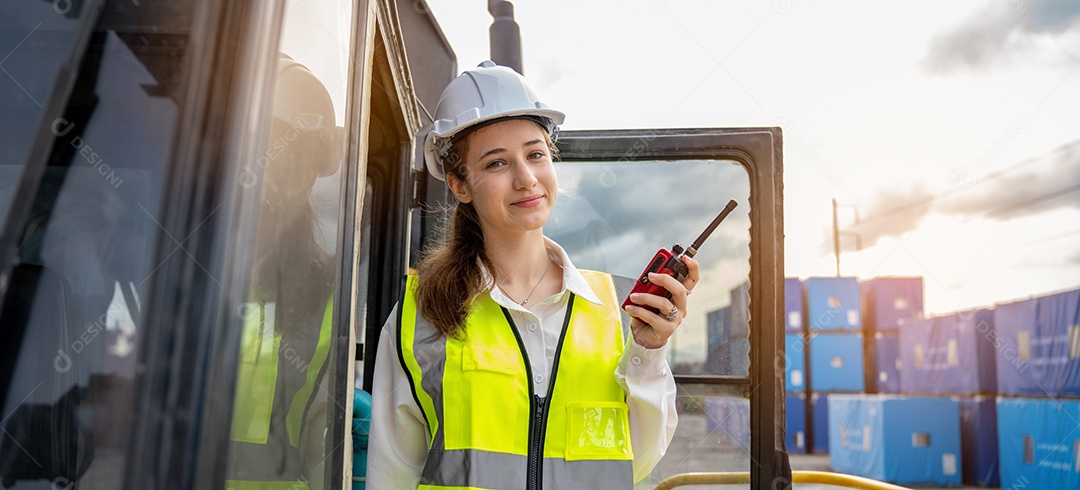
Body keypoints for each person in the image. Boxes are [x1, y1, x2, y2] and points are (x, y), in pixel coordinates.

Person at [367, 61, 698, 489]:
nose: (526, 179)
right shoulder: (422, 315)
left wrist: (648, 352)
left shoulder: (616, 312)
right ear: (459, 185)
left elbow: (638, 460)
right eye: (496, 164)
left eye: (535, 154)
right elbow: (391, 472)